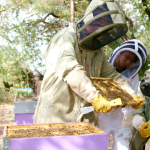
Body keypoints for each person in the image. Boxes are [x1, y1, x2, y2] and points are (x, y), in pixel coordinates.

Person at [33, 0, 144, 127]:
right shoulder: (65, 38)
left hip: (85, 119)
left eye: (104, 25)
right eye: (98, 23)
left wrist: (130, 94)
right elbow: (71, 70)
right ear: (89, 18)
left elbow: (111, 75)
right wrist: (94, 97)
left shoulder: (97, 49)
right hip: (56, 117)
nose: (100, 28)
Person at [96, 39, 147, 150]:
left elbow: (131, 101)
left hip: (119, 115)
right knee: (97, 145)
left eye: (132, 60)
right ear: (120, 52)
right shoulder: (104, 67)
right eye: (127, 57)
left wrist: (126, 125)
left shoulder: (132, 76)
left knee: (123, 146)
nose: (128, 62)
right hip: (100, 114)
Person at [130, 69, 150, 150]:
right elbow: (137, 112)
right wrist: (140, 125)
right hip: (146, 121)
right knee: (133, 131)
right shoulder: (143, 91)